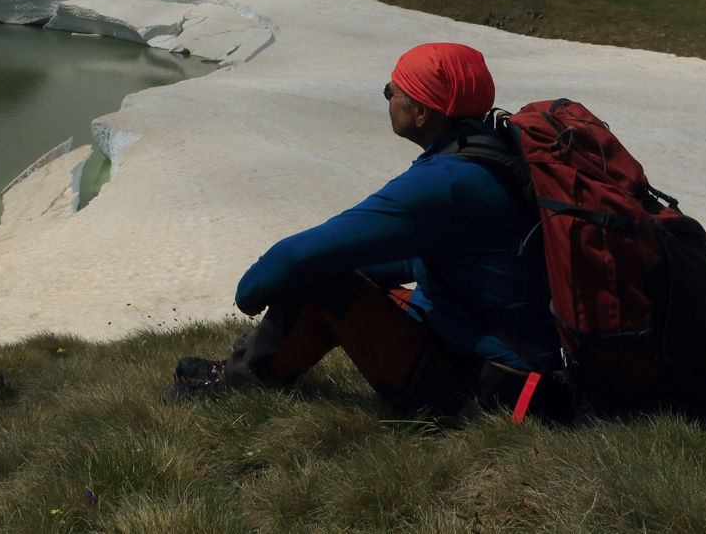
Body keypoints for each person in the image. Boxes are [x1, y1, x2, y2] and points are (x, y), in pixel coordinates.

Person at [169, 42, 566, 420]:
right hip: (506, 371)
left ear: (423, 112)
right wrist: (356, 273)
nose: (388, 99)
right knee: (331, 274)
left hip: (486, 393)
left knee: (320, 278)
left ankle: (235, 384)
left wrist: (251, 291)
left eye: (390, 92)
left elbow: (303, 254)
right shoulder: (491, 153)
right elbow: (430, 254)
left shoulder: (447, 180)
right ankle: (244, 368)